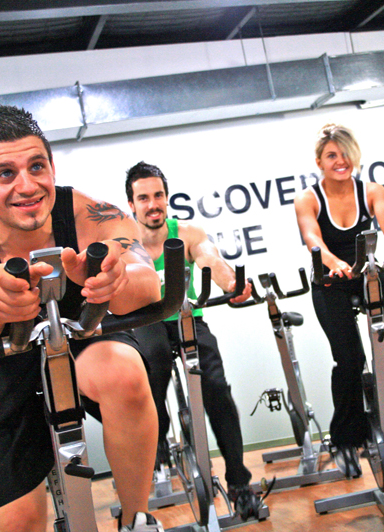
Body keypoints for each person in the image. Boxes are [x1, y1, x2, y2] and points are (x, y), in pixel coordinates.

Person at [0, 105, 165, 532]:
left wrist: (115, 281)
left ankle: (135, 520)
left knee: (123, 373)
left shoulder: (89, 213)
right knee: (21, 522)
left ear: (51, 166)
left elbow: (149, 284)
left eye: (36, 166)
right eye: (5, 174)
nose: (27, 186)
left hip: (73, 339)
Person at [293, 124, 384, 478]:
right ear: (319, 162)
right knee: (349, 358)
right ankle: (346, 438)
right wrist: (333, 262)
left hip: (369, 272)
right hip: (329, 279)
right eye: (332, 156)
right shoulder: (308, 199)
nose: (340, 161)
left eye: (345, 154)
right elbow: (313, 239)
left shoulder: (372, 190)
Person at [124, 161, 262, 519]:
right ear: (132, 205)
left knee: (216, 388)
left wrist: (231, 285)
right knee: (149, 369)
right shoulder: (125, 243)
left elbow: (210, 259)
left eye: (158, 195)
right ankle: (157, 448)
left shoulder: (187, 234)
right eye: (143, 198)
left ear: (166, 198)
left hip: (188, 319)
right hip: (146, 322)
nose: (153, 204)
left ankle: (239, 482)